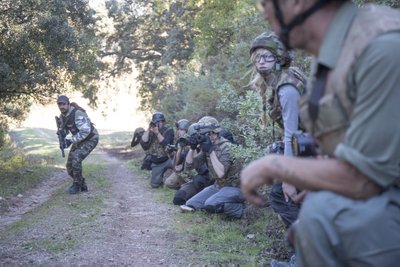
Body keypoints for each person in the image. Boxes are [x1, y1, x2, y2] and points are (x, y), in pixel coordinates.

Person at [241, 0, 400, 266]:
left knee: (330, 214)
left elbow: (366, 177)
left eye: (267, 3)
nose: (265, 12)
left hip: (382, 214)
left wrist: (276, 166)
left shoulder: (381, 48)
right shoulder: (332, 54)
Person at [248, 32, 306, 228]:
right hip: (307, 146)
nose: (261, 61)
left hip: (316, 149)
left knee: (282, 196)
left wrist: (287, 178)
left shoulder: (286, 87)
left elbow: (292, 132)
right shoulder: (278, 81)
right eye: (257, 57)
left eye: (267, 56)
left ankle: (305, 255)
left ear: (279, 58)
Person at [180, 116, 244, 219]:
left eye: (205, 134)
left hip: (236, 188)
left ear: (214, 133)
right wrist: (192, 148)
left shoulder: (227, 147)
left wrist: (211, 151)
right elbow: (189, 165)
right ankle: (217, 205)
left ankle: (241, 210)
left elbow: (221, 173)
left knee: (210, 204)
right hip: (218, 186)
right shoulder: (207, 146)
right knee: (191, 203)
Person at [56, 95, 99, 194]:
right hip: (79, 140)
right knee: (69, 166)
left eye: (63, 104)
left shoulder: (77, 113)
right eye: (59, 104)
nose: (61, 106)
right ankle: (82, 184)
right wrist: (62, 135)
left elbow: (85, 131)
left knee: (76, 158)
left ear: (68, 104)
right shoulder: (62, 116)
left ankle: (76, 185)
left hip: (90, 138)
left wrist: (70, 141)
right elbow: (65, 129)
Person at [172, 122, 214, 205]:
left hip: (209, 180)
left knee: (199, 181)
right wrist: (192, 148)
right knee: (178, 198)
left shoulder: (210, 146)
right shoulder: (197, 149)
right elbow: (189, 165)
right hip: (196, 180)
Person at [140, 112, 174, 188]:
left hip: (169, 159)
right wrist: (149, 129)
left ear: (163, 122)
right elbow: (143, 143)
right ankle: (160, 180)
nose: (158, 124)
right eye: (156, 122)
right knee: (155, 185)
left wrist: (157, 133)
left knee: (179, 168)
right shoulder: (151, 131)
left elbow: (166, 144)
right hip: (157, 162)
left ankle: (178, 182)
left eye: (160, 122)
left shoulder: (169, 130)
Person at [164, 119, 192, 189]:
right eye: (178, 129)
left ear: (187, 130)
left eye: (182, 130)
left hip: (189, 171)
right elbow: (174, 161)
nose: (179, 131)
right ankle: (182, 189)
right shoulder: (178, 141)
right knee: (169, 182)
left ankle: (186, 189)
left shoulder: (190, 142)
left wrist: (180, 149)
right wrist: (169, 152)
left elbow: (178, 163)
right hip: (180, 169)